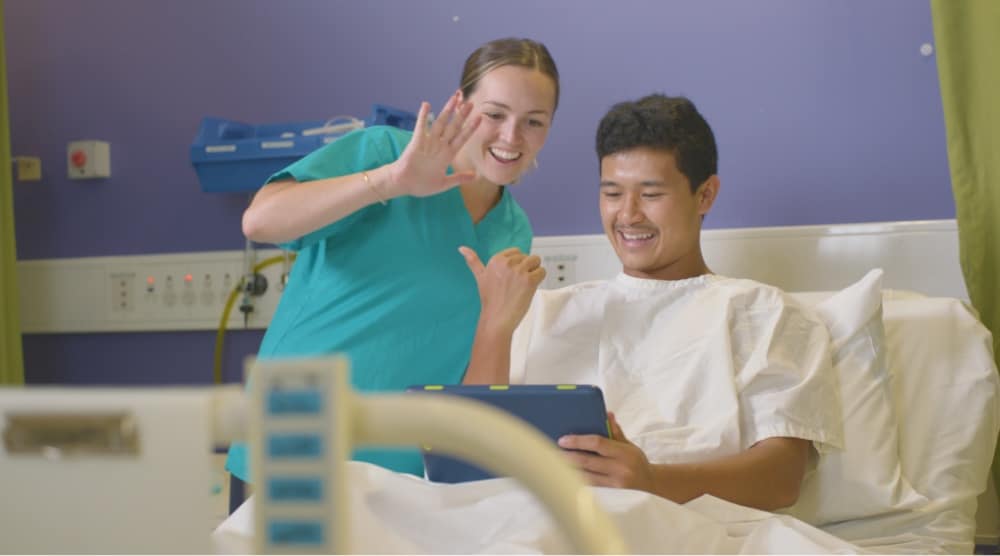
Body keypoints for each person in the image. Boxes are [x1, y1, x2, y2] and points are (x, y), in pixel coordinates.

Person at [459, 94, 842, 511]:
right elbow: (464, 453)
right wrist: (494, 327)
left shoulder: (763, 313)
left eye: (651, 194)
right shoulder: (549, 310)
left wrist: (652, 481)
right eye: (612, 193)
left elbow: (781, 478)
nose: (628, 215)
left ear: (705, 195)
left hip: (683, 530)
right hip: (536, 524)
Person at [225, 37, 560, 482]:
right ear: (460, 106)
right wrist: (392, 181)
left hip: (405, 477)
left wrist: (497, 325)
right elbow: (260, 222)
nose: (511, 137)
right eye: (495, 114)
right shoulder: (385, 151)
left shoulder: (513, 231)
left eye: (533, 122)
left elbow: (473, 390)